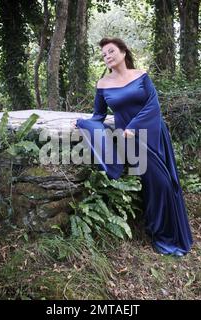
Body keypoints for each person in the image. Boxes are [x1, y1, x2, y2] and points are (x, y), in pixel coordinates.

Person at [73, 37, 193, 256]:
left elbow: (153, 104)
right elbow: (99, 115)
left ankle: (173, 234)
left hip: (153, 133)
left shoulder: (141, 76)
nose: (107, 56)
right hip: (130, 141)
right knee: (158, 184)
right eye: (104, 55)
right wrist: (84, 124)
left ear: (123, 52)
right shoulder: (102, 84)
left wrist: (134, 126)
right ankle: (161, 234)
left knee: (167, 182)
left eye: (110, 51)